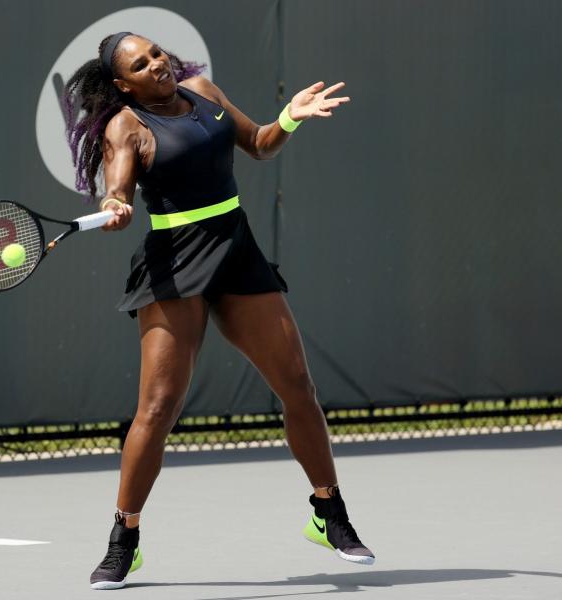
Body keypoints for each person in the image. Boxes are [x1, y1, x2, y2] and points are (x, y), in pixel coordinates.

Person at [61, 32, 374, 590]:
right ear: (121, 84)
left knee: (298, 386)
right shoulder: (124, 126)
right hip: (175, 263)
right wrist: (114, 205)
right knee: (157, 409)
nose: (156, 64)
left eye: (156, 53)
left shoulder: (202, 91)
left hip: (235, 250)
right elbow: (119, 191)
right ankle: (123, 538)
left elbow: (259, 143)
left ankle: (329, 513)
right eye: (140, 64)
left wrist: (292, 117)